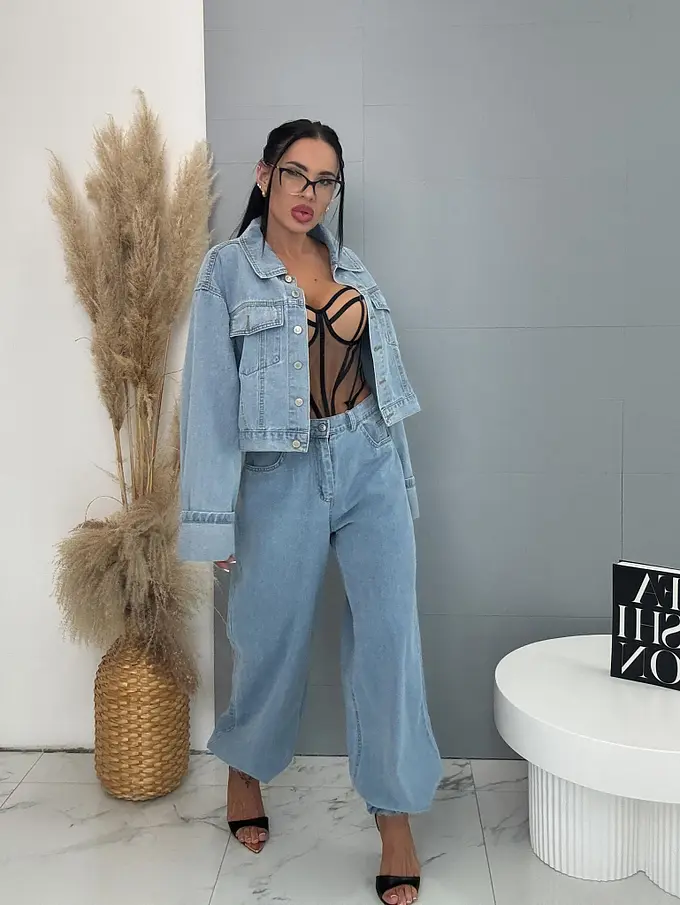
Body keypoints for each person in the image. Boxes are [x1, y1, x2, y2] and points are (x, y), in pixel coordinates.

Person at [178, 119, 442, 905]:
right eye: (295, 173)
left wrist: (401, 482)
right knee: (268, 635)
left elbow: (382, 387)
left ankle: (394, 815)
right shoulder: (228, 271)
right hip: (279, 473)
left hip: (368, 461)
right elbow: (209, 404)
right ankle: (245, 768)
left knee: (391, 640)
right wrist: (212, 516)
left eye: (325, 180)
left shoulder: (351, 266)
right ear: (265, 176)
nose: (309, 193)